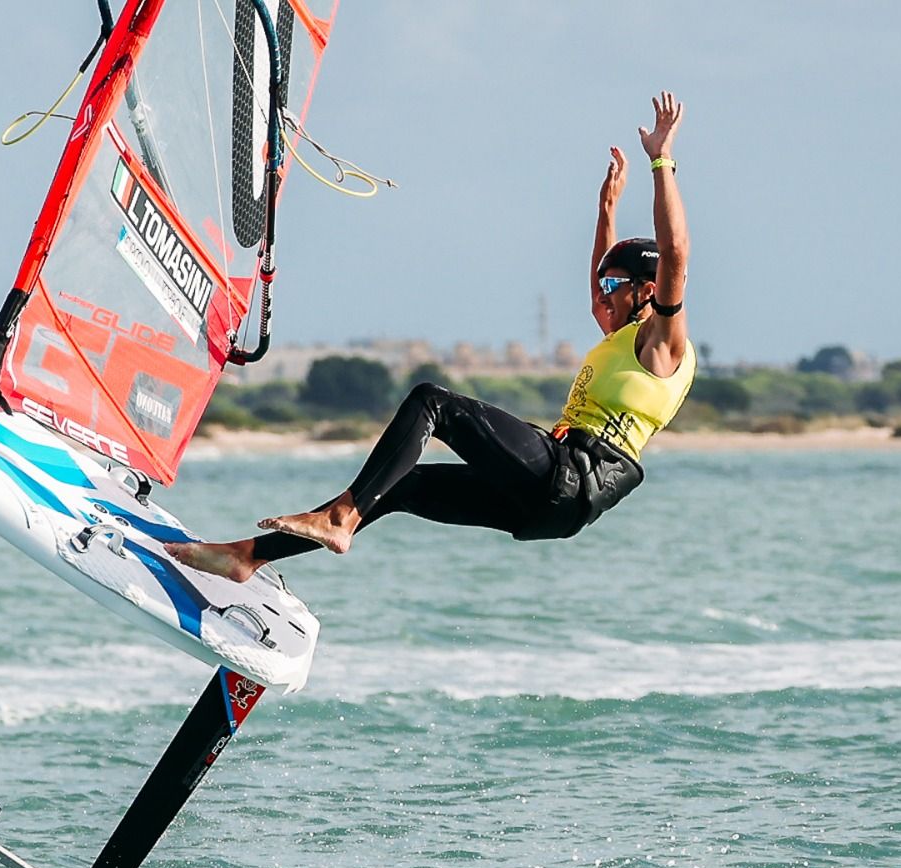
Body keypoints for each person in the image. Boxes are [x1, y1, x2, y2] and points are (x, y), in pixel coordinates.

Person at [167, 92, 697, 583]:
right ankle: (248, 557)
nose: (601, 295)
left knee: (432, 402)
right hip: (553, 500)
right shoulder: (622, 336)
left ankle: (339, 515)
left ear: (649, 291)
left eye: (614, 285)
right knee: (404, 486)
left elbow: (674, 254)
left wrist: (660, 162)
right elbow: (596, 296)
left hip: (570, 475)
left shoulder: (662, 345)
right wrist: (606, 212)